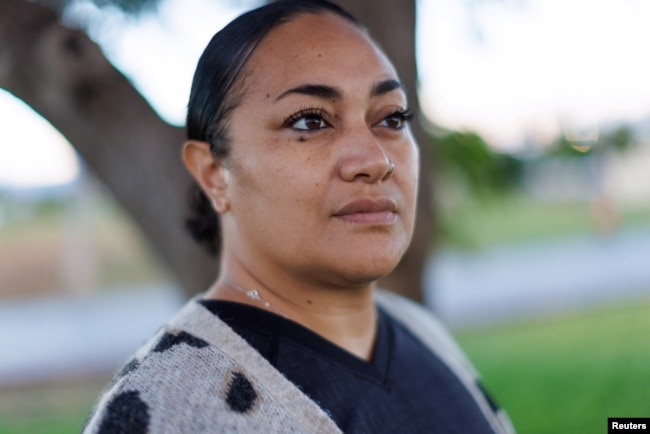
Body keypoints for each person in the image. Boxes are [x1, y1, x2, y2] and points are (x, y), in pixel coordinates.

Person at [83, 1, 514, 432]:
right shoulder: (171, 408)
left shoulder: (420, 332)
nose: (375, 159)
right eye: (310, 121)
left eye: (391, 118)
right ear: (214, 174)